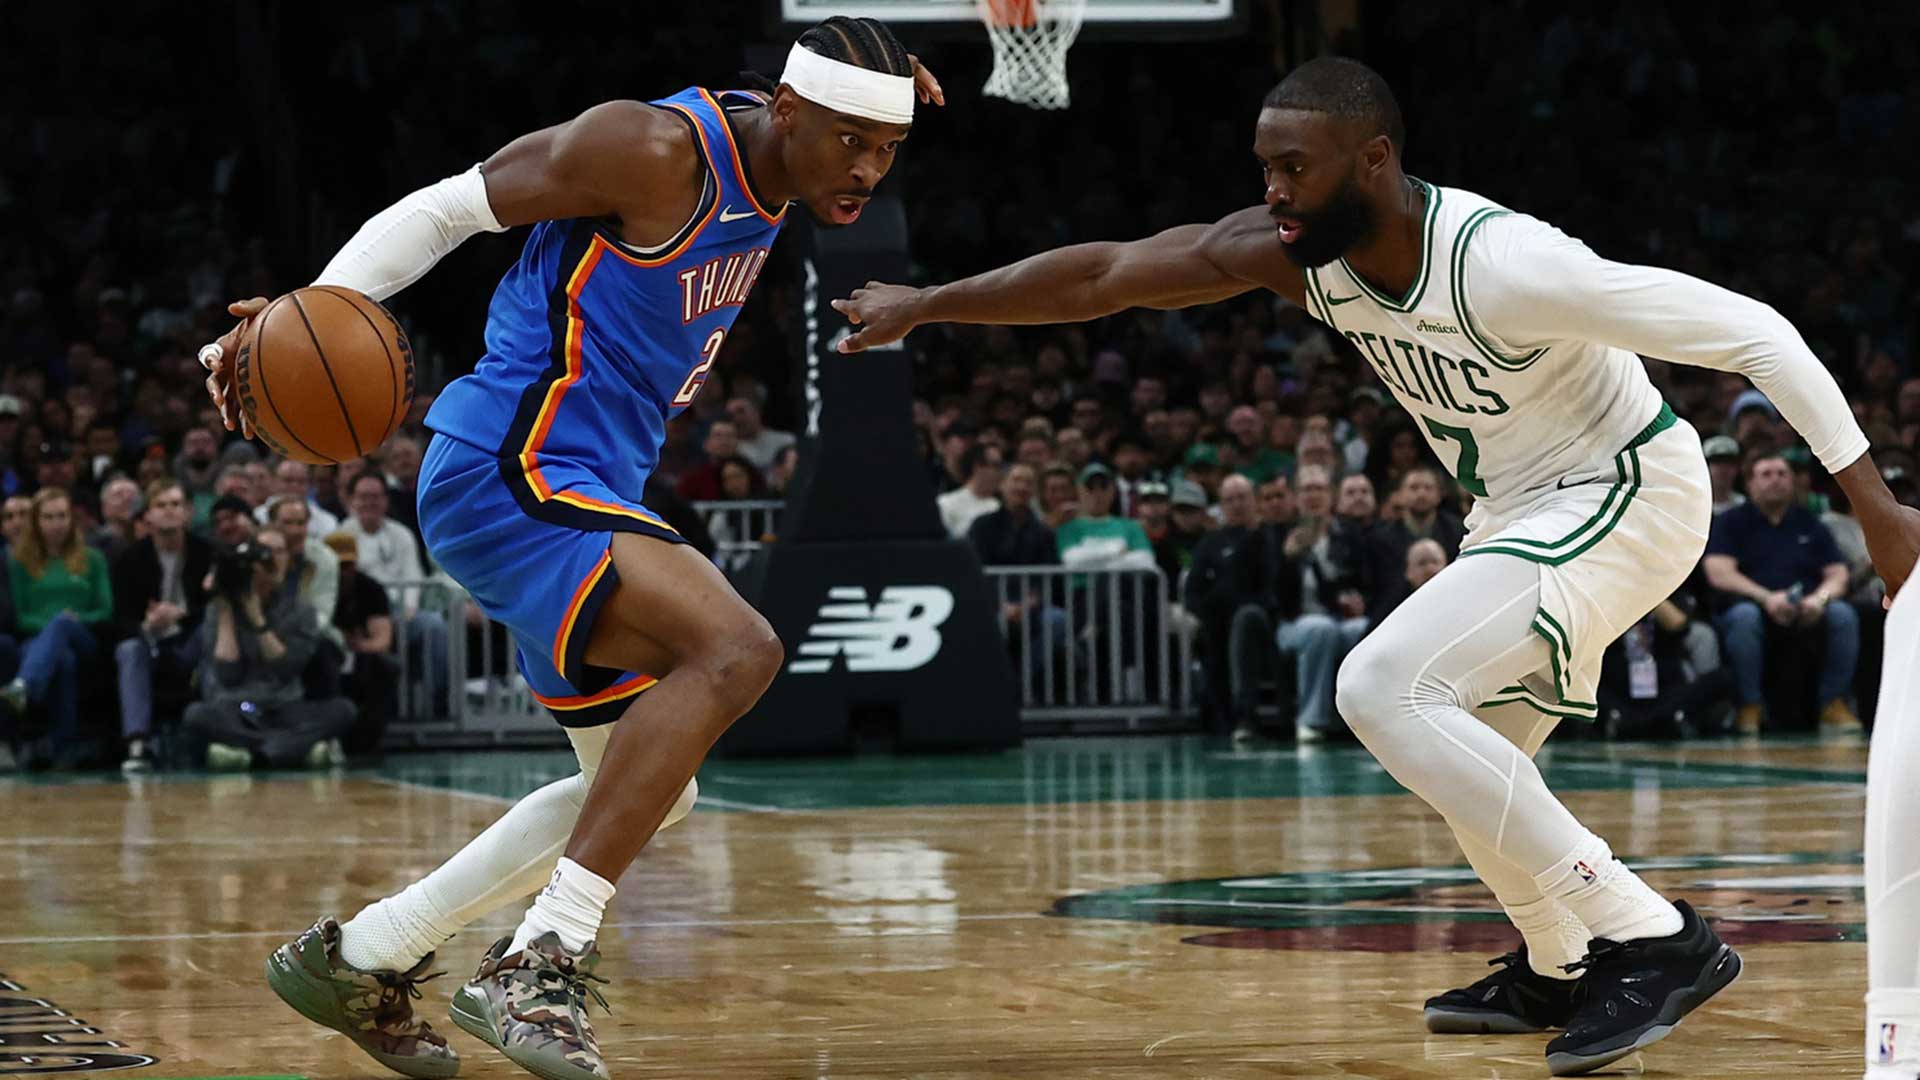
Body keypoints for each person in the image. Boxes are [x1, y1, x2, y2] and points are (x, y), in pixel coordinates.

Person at [831, 55, 1920, 1073]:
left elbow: (1756, 331)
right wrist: (927, 306)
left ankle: (1654, 934)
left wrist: (1872, 507)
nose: (1272, 191)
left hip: (1629, 492)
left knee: (1381, 685)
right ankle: (1559, 963)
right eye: (1264, 166)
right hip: (1514, 510)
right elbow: (1113, 274)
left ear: (1375, 162)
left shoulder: (1506, 265)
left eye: (1293, 167)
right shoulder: (1302, 258)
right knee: (1471, 758)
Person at [203, 19, 942, 1080]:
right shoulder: (652, 153)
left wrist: (879, 90)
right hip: (513, 467)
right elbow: (450, 206)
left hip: (576, 486)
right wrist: (306, 312)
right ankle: (539, 962)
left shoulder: (803, 156)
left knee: (651, 788)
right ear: (784, 110)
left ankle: (365, 955)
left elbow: (843, 101)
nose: (868, 169)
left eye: (888, 148)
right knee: (740, 650)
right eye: (849, 142)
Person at [1703, 453, 1860, 735]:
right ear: (1749, 484)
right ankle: (1749, 706)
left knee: (1843, 615)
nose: (1775, 480)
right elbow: (1718, 572)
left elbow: (1838, 574)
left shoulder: (1810, 522)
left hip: (1806, 606)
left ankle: (1832, 703)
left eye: (1781, 474)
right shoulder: (1730, 522)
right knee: (1744, 618)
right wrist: (1765, 598)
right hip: (1750, 604)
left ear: (1793, 482)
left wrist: (1819, 600)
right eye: (1766, 474)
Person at [183, 527, 353, 771]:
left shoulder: (301, 610)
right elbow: (227, 674)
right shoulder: (221, 605)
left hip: (286, 706)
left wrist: (257, 619)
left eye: (279, 552)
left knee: (343, 710)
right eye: (263, 552)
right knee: (196, 715)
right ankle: (291, 751)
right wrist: (226, 611)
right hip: (239, 708)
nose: (270, 560)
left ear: (288, 559)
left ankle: (247, 754)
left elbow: (286, 668)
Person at [0, 488, 113, 768]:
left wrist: (74, 620)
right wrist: (52, 625)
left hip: (84, 638)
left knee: (63, 626)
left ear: (71, 519)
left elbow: (106, 610)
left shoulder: (93, 559)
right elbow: (22, 617)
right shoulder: (20, 564)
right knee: (62, 658)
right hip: (37, 643)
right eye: (48, 517)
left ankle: (24, 686)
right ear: (36, 522)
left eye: (62, 516)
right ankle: (63, 747)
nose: (56, 523)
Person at [111, 481, 215, 773]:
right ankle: (137, 743)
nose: (169, 511)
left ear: (188, 513)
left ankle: (216, 736)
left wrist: (180, 614)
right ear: (147, 517)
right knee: (129, 649)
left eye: (175, 504)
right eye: (161, 505)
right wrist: (148, 624)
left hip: (191, 639)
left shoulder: (207, 553)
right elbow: (120, 619)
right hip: (150, 643)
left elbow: (216, 608)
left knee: (211, 629)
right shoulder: (129, 559)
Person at [324, 531, 400, 755]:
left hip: (358, 654)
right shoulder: (316, 586)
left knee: (387, 667)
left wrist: (355, 645)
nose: (342, 572)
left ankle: (367, 743)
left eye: (348, 565)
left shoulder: (370, 589)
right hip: (324, 654)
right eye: (337, 565)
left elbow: (383, 640)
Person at [936, 443, 1002, 539]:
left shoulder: (1000, 506)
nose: (1000, 472)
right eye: (996, 466)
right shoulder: (946, 503)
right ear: (977, 466)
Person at [725, 395, 795, 472]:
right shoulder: (730, 451)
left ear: (757, 412)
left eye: (741, 411)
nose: (737, 419)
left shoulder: (785, 440)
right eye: (731, 416)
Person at [90, 475, 142, 563]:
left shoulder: (153, 541)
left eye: (132, 495)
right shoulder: (92, 545)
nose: (126, 499)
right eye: (118, 494)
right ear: (104, 506)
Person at [1702, 435, 1744, 514]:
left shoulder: (1743, 505)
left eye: (1729, 463)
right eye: (1717, 462)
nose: (1723, 469)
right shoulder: (1696, 503)